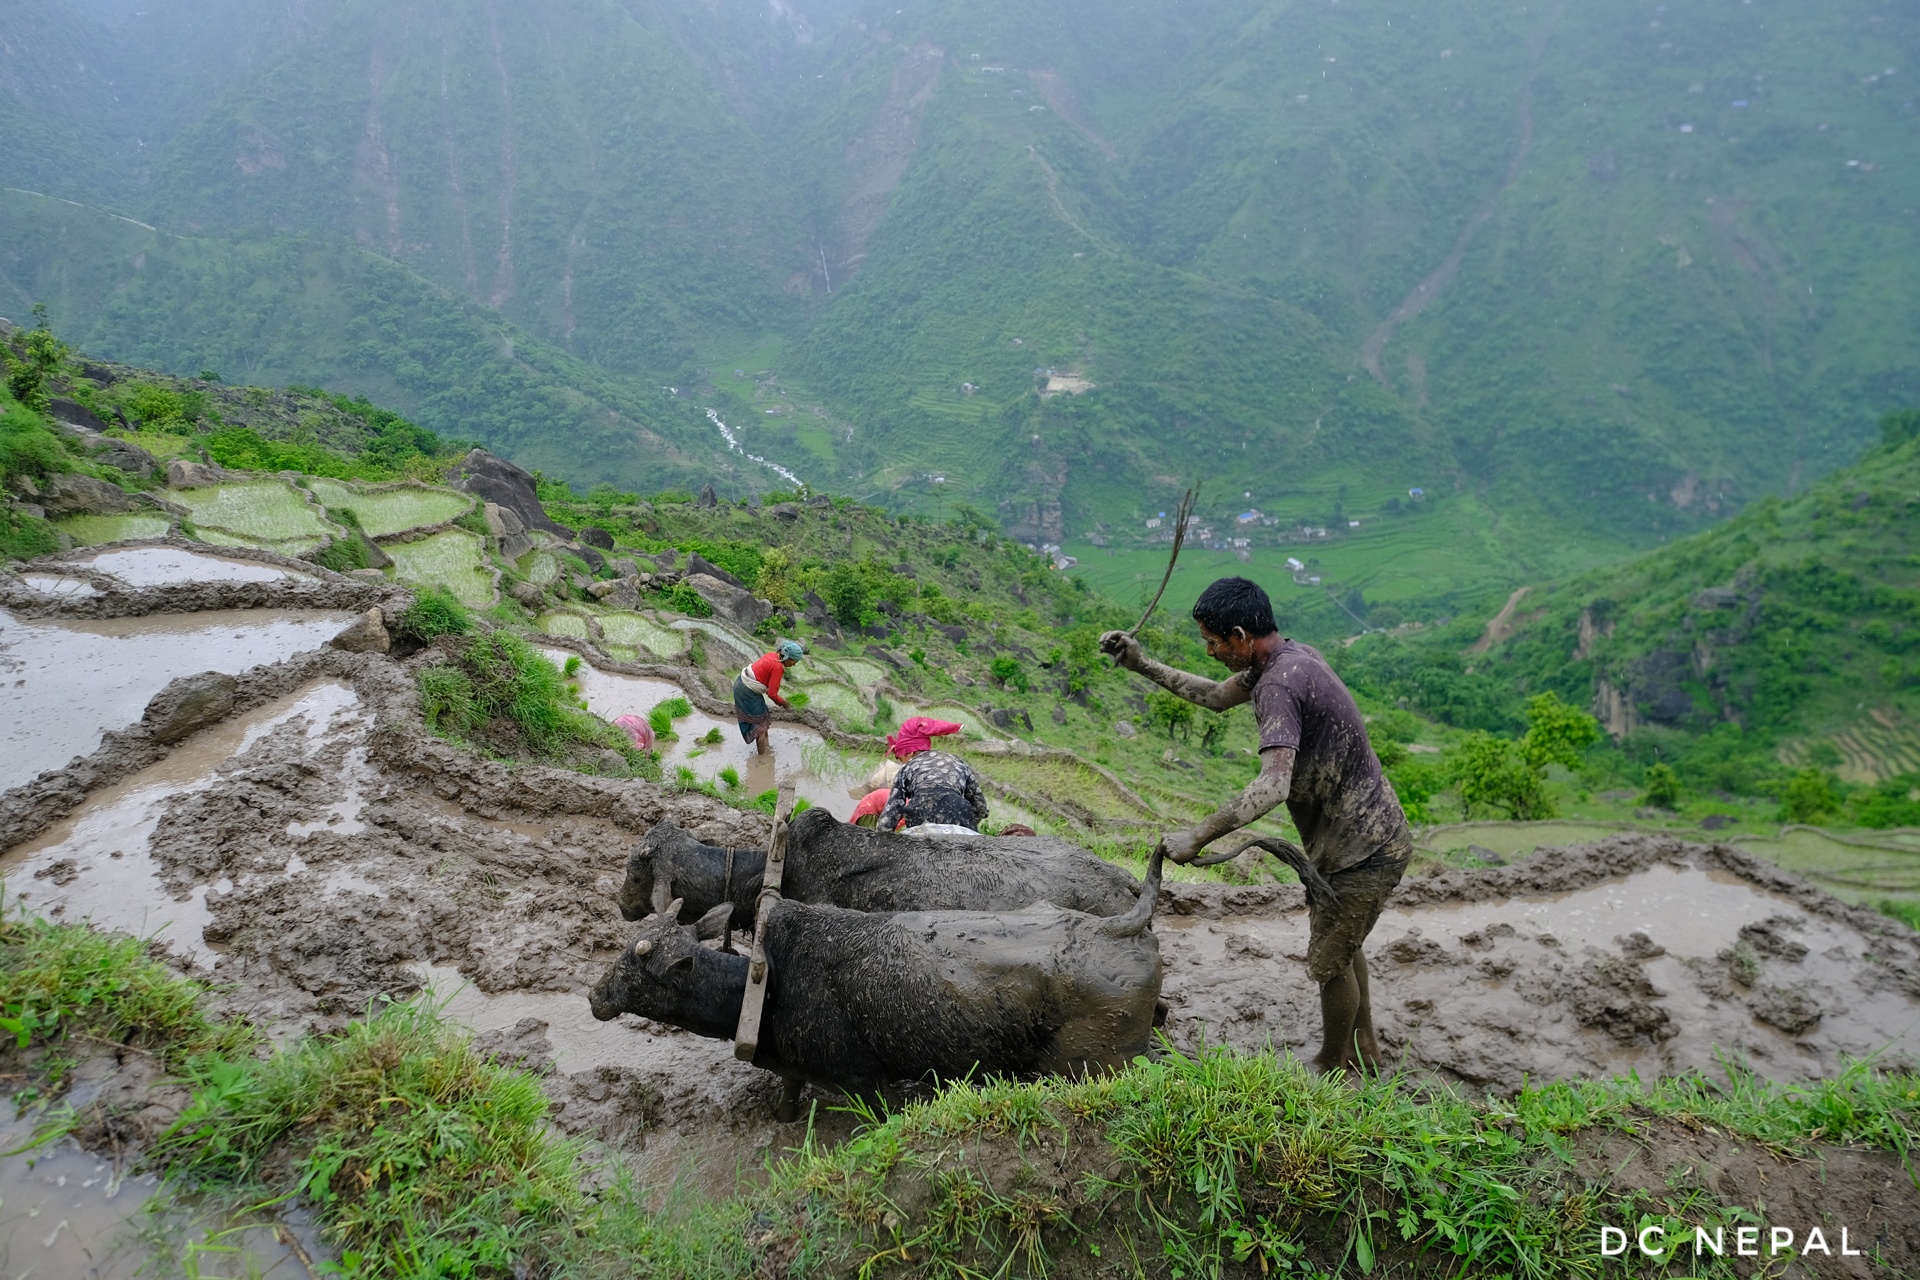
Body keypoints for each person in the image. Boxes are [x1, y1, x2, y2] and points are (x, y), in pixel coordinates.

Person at [1100, 576, 1411, 1076]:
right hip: (1366, 835)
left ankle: (1333, 1064)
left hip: (1362, 848)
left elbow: (1271, 787)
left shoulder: (1279, 686)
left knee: (1329, 962)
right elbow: (1215, 697)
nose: (1209, 651)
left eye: (1213, 640)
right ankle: (1365, 1046)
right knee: (1344, 945)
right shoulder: (1286, 657)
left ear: (1241, 634)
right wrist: (1141, 664)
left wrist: (1196, 836)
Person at [876, 747, 989, 833]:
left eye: (900, 758)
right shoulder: (958, 762)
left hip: (920, 808)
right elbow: (980, 807)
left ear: (910, 753)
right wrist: (967, 821)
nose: (901, 762)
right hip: (957, 807)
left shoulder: (908, 767)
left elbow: (890, 815)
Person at [733, 639, 806, 755]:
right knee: (760, 725)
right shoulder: (778, 666)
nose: (794, 664)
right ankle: (763, 758)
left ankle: (765, 749)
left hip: (741, 684)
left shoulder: (772, 655)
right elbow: (772, 694)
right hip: (747, 691)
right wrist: (785, 703)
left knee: (763, 720)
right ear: (788, 657)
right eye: (794, 661)